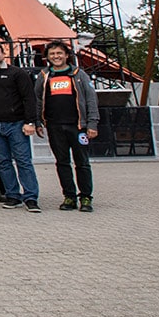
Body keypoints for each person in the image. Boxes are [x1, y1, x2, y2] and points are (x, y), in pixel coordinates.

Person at [35, 41, 99, 212]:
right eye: (52, 54)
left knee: (82, 162)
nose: (56, 57)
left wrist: (92, 123)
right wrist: (38, 122)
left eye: (59, 53)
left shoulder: (79, 74)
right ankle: (69, 196)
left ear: (67, 55)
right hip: (55, 126)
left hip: (78, 126)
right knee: (62, 162)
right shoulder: (44, 75)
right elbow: (38, 100)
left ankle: (85, 196)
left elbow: (91, 99)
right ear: (47, 57)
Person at [0, 40, 41, 213]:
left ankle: (31, 197)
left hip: (16, 124)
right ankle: (13, 195)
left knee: (23, 161)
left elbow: (29, 98)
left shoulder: (17, 73)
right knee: (3, 162)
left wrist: (30, 122)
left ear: (3, 54)